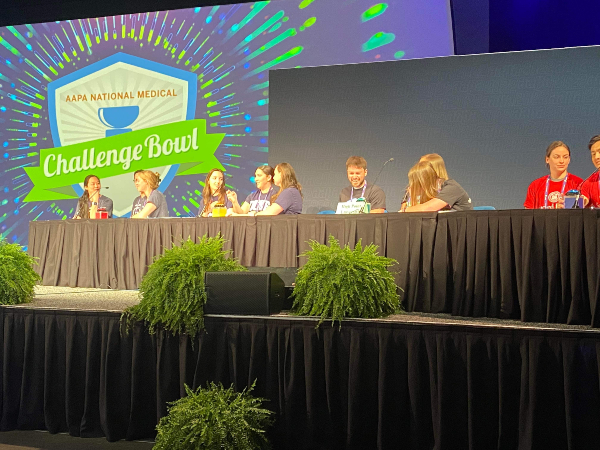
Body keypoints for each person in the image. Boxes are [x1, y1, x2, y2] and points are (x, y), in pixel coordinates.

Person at [524, 141, 583, 209]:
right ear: (547, 159)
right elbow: (528, 215)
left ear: (569, 160)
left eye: (565, 157)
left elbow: (580, 214)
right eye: (557, 157)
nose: (561, 161)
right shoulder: (535, 186)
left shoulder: (578, 183)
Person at [400, 161, 472, 212]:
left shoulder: (451, 187)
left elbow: (428, 208)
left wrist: (405, 210)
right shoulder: (430, 191)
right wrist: (412, 197)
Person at [580, 135, 600, 208]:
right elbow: (583, 201)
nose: (596, 157)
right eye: (593, 154)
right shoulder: (588, 183)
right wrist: (575, 201)